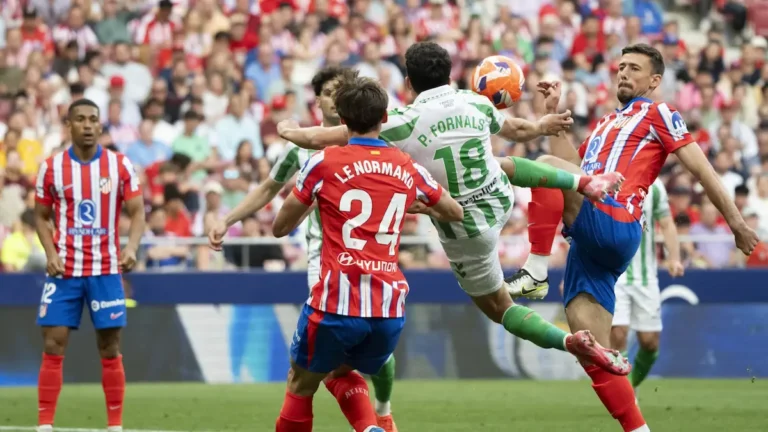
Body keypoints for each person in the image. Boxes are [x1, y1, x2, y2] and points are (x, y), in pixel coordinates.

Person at [277, 42, 630, 375]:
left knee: (501, 308)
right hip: (500, 199)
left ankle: (571, 341)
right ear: (450, 75)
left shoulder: (401, 120)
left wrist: (290, 130)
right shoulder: (474, 102)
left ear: (408, 82)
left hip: (468, 229)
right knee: (501, 162)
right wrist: (541, 125)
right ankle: (581, 185)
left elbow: (328, 137)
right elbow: (517, 128)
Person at [505, 44, 759, 432]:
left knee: (539, 166)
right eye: (621, 66)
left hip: (615, 218)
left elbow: (702, 170)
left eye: (634, 68)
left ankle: (537, 269)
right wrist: (552, 117)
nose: (623, 72)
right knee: (593, 350)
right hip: (591, 246)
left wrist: (736, 222)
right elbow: (570, 172)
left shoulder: (659, 113)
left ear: (655, 80)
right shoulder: (606, 124)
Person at [209, 67, 403, 431]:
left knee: (320, 370)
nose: (335, 95)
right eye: (328, 90)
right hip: (325, 263)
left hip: (373, 263)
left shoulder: (374, 141)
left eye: (341, 90)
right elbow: (268, 189)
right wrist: (228, 219)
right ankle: (377, 422)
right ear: (318, 101)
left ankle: (380, 413)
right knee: (336, 366)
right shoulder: (300, 149)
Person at [270, 76, 463, 432]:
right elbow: (454, 211)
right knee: (342, 371)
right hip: (389, 308)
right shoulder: (406, 166)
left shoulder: (324, 162)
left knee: (300, 383)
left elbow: (280, 227)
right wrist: (419, 209)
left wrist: (315, 200)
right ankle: (369, 428)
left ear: (341, 119)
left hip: (336, 302)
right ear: (385, 117)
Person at [34, 99, 145, 432]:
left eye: (92, 119)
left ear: (100, 126)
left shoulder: (120, 165)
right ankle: (44, 425)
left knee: (110, 346)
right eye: (79, 119)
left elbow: (138, 211)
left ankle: (115, 426)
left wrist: (132, 247)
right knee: (53, 343)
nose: (86, 124)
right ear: (69, 125)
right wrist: (50, 253)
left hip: (106, 270)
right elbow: (40, 217)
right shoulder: (51, 167)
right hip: (64, 270)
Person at [610, 178, 683, 399]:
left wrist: (675, 257)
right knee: (618, 333)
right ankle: (625, 396)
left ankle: (631, 385)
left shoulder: (655, 186)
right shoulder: (605, 176)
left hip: (645, 276)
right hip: (613, 273)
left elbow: (667, 223)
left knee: (650, 343)